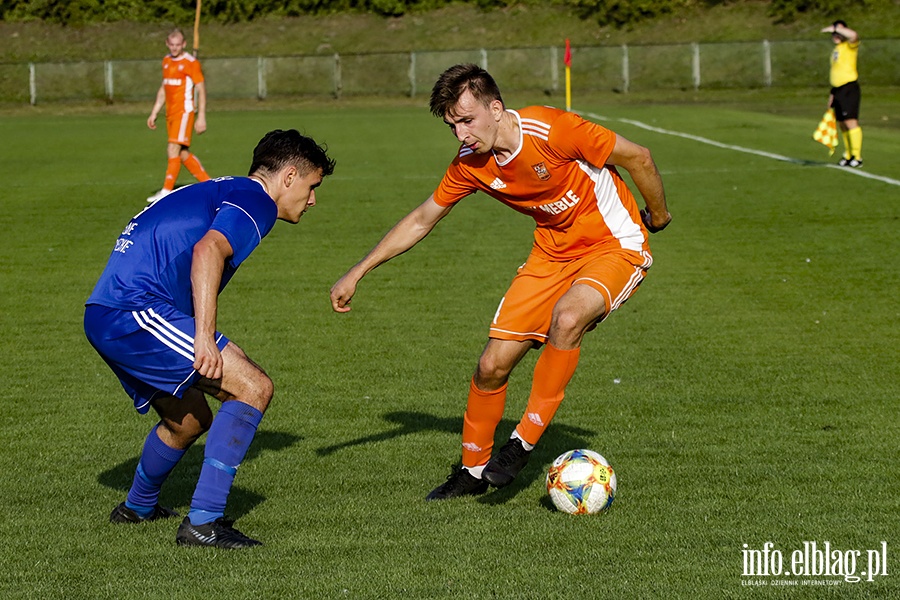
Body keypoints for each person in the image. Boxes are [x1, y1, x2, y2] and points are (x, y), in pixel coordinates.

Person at [330, 64, 671, 500]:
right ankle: (471, 471)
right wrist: (358, 270)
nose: (461, 135)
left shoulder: (554, 130)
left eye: (467, 121)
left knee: (567, 319)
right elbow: (421, 219)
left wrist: (658, 218)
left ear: (496, 108)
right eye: (452, 126)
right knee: (492, 366)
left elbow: (638, 156)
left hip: (614, 244)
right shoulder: (470, 163)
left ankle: (521, 444)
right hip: (550, 254)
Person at [85, 129, 335, 547]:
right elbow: (208, 251)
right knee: (253, 388)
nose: (312, 200)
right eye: (312, 187)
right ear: (289, 176)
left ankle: (137, 507)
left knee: (189, 419)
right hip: (132, 312)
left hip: (109, 311)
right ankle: (203, 523)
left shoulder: (223, 189)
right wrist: (203, 337)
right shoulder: (257, 200)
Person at [146, 28, 211, 203]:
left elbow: (201, 89)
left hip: (184, 112)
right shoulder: (166, 61)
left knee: (172, 148)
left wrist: (201, 116)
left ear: (184, 44)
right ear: (167, 44)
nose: (174, 48)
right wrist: (154, 112)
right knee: (181, 153)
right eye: (171, 45)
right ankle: (210, 184)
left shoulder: (191, 62)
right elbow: (163, 88)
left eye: (178, 45)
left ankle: (166, 191)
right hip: (171, 113)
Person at [821, 20, 863, 168]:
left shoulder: (849, 46)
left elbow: (853, 35)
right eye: (834, 33)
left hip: (848, 88)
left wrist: (836, 28)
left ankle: (857, 156)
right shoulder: (837, 50)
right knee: (842, 124)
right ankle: (848, 153)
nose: (836, 35)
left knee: (850, 121)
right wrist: (832, 94)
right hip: (838, 90)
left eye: (839, 32)